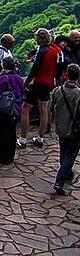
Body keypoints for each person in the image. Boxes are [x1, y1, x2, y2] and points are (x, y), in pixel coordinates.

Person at [20, 28, 62, 149]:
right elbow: (59, 67)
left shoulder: (42, 51)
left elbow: (35, 68)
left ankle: (22, 138)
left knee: (26, 109)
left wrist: (27, 82)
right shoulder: (56, 51)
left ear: (40, 38)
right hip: (49, 83)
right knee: (44, 110)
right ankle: (40, 138)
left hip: (38, 82)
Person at [49, 63, 80, 195]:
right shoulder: (78, 94)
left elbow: (50, 107)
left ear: (66, 74)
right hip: (74, 129)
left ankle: (67, 173)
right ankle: (60, 180)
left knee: (63, 151)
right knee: (71, 154)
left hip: (61, 127)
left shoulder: (58, 90)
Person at [0, 57, 24, 165]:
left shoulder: (3, 78)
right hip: (16, 109)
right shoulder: (19, 78)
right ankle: (11, 155)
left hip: (4, 110)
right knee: (12, 133)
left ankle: (3, 157)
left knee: (4, 134)